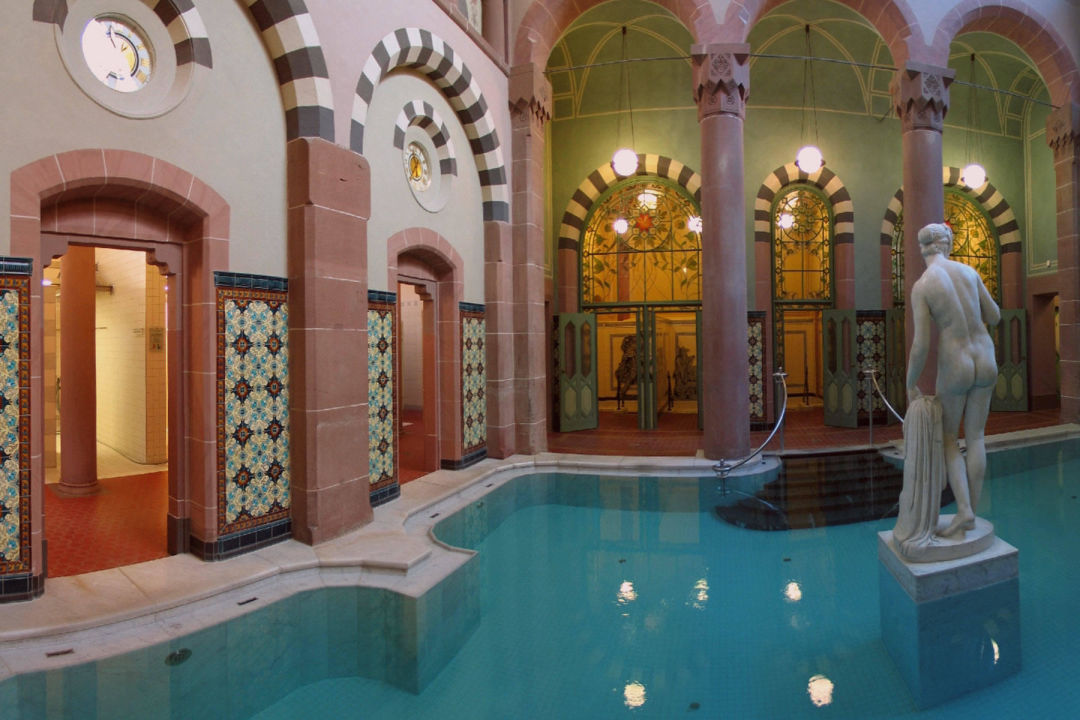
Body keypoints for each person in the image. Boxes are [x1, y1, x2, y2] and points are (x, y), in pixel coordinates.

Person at [906, 222, 1001, 539]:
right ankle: (972, 509)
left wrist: (910, 382)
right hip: (985, 356)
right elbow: (995, 315)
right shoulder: (969, 272)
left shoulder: (922, 286)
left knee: (949, 438)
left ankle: (964, 512)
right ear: (946, 245)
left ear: (922, 249)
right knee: (976, 436)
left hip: (956, 361)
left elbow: (921, 345)